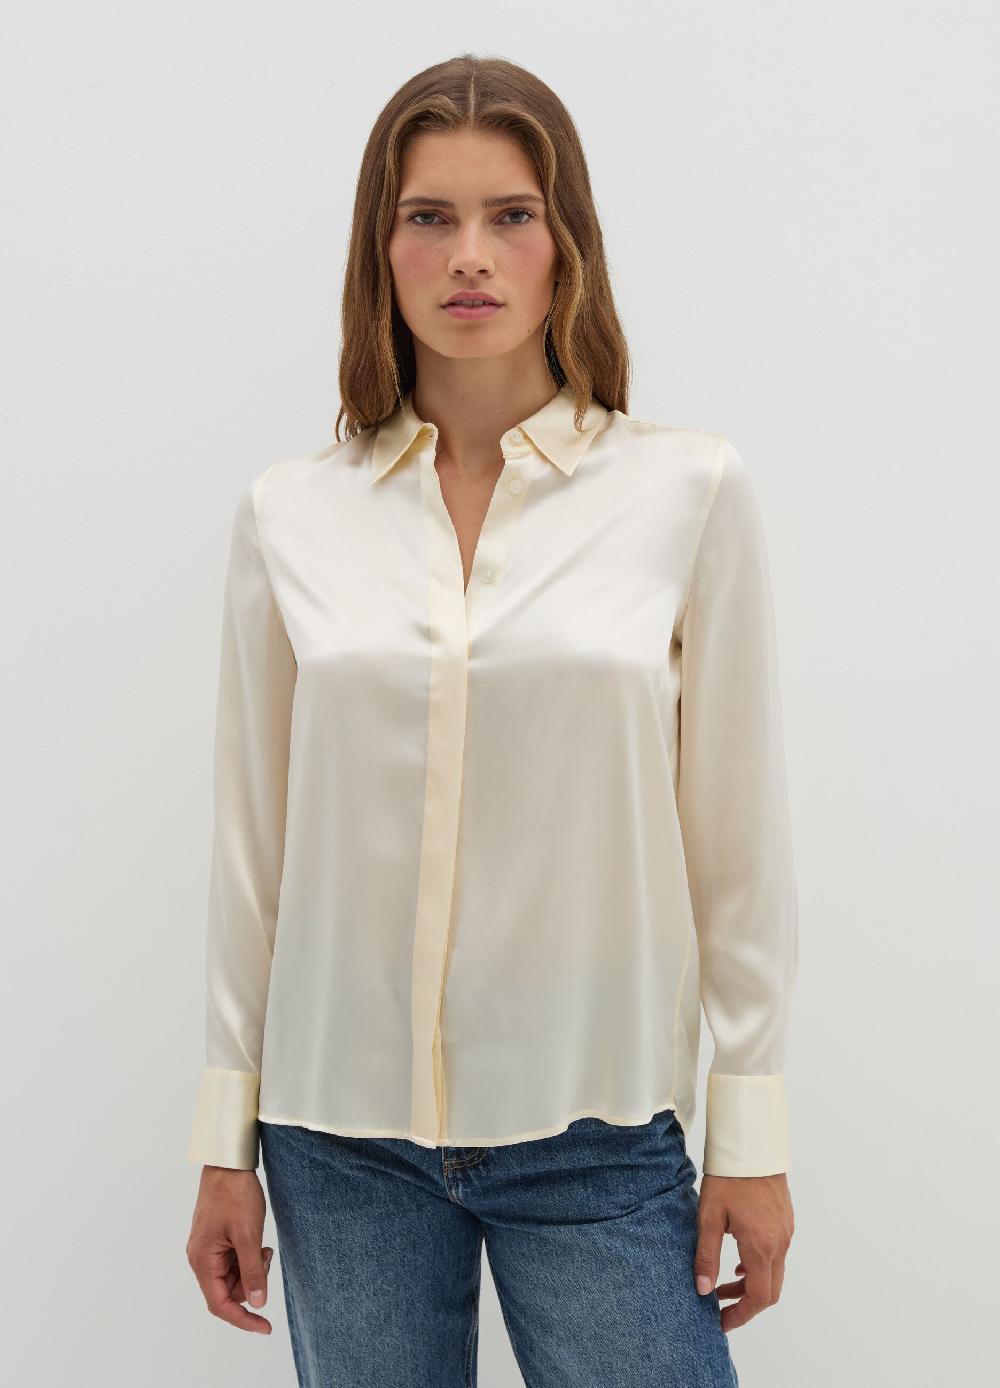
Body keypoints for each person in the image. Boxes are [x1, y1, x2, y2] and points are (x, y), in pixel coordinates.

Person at [185, 52, 798, 1387]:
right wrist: (224, 1141)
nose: (470, 254)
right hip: (335, 1137)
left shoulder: (687, 494)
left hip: (596, 1126)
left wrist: (751, 1133)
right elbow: (250, 851)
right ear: (382, 247)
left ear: (565, 243)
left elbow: (737, 849)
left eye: (511, 214)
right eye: (430, 216)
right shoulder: (290, 514)